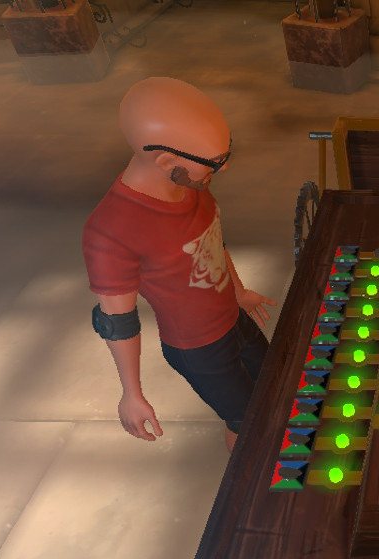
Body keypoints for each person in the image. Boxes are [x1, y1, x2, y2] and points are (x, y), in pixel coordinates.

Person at [83, 77, 277, 452]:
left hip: (233, 320)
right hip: (200, 349)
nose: (222, 170)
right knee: (247, 421)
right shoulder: (112, 231)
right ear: (167, 161)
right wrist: (131, 393)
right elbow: (118, 321)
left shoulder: (191, 183)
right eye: (214, 163)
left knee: (273, 384)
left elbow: (212, 241)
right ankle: (252, 481)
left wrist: (238, 292)